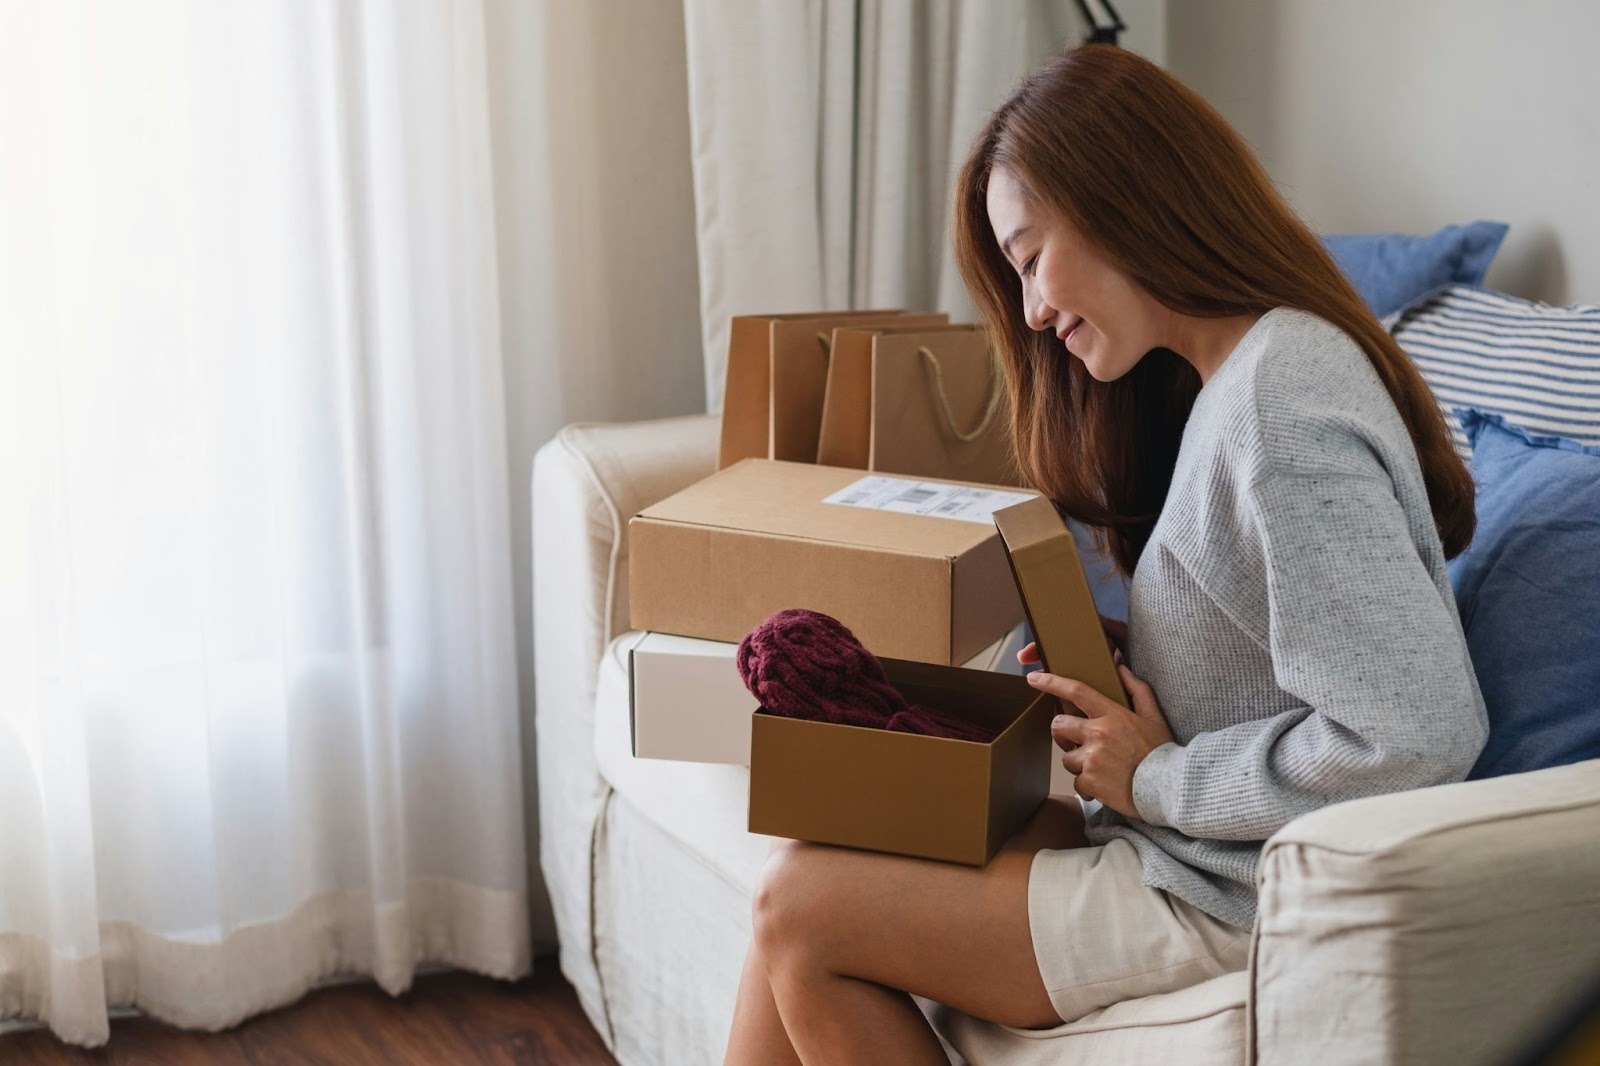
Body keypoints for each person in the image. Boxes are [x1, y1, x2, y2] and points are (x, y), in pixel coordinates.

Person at [723, 43, 1488, 1065]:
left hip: (1224, 889)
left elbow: (1419, 732)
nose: (1032, 308)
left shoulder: (1281, 395)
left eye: (1031, 256)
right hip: (1184, 850)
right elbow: (1275, 644)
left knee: (797, 909)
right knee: (813, 856)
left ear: (1123, 200)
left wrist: (1161, 776)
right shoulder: (1239, 381)